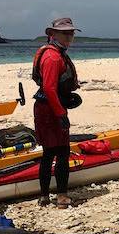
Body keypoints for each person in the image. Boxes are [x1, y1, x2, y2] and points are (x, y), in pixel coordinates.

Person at [32, 17, 82, 207]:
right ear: (52, 34)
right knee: (61, 152)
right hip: (50, 108)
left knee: (48, 152)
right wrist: (61, 113)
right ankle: (61, 197)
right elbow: (50, 88)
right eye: (65, 33)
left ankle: (44, 196)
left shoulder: (54, 53)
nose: (69, 36)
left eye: (71, 33)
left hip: (48, 105)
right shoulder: (53, 57)